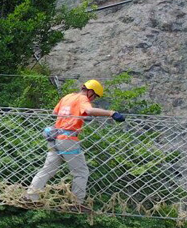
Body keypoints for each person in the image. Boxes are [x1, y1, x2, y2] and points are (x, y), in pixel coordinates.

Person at [23, 79, 126, 209]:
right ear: (90, 92)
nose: (93, 99)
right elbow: (89, 111)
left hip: (54, 137)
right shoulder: (83, 99)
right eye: (94, 96)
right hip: (68, 139)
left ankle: (30, 197)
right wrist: (111, 113)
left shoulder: (68, 97)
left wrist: (78, 116)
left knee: (48, 169)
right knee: (81, 172)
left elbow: (56, 112)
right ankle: (76, 203)